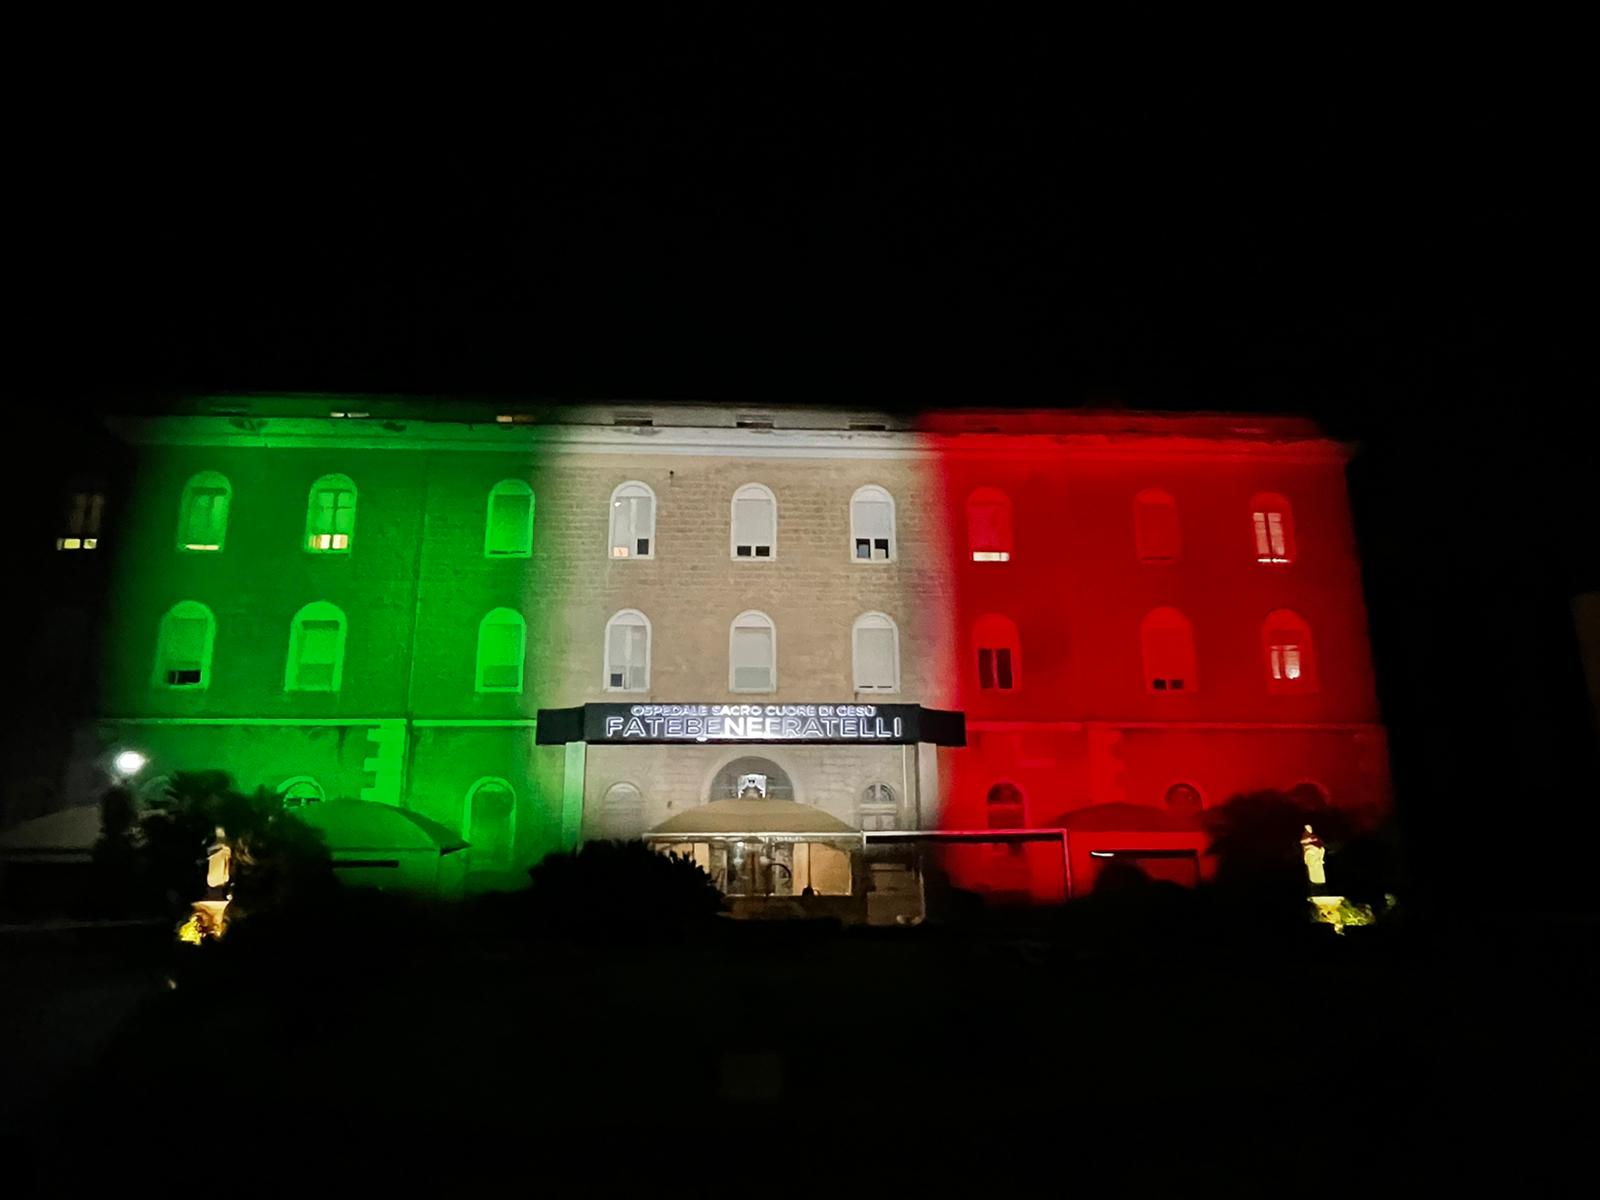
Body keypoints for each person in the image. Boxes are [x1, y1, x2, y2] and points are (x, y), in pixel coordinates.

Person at [1300, 823, 1327, 890]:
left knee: (1319, 873)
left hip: (1317, 856)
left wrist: (1318, 846)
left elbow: (1321, 843)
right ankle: (1314, 885)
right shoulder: (1305, 836)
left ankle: (1321, 885)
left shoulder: (1314, 836)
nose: (1309, 830)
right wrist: (1310, 841)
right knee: (1312, 873)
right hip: (1310, 855)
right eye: (1307, 829)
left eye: (1310, 828)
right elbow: (1302, 842)